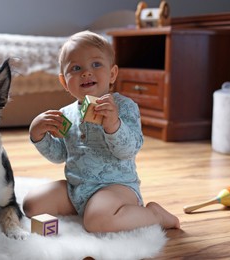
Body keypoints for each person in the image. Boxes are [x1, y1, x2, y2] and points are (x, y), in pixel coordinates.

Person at [22, 30, 180, 233]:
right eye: (76, 68)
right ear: (64, 82)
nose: (86, 73)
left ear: (112, 74)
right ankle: (85, 211)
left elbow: (129, 150)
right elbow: (59, 155)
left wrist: (113, 124)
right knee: (31, 204)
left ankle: (155, 215)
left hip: (116, 188)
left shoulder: (123, 107)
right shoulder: (66, 113)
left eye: (96, 64)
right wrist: (38, 135)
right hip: (77, 188)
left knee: (97, 222)